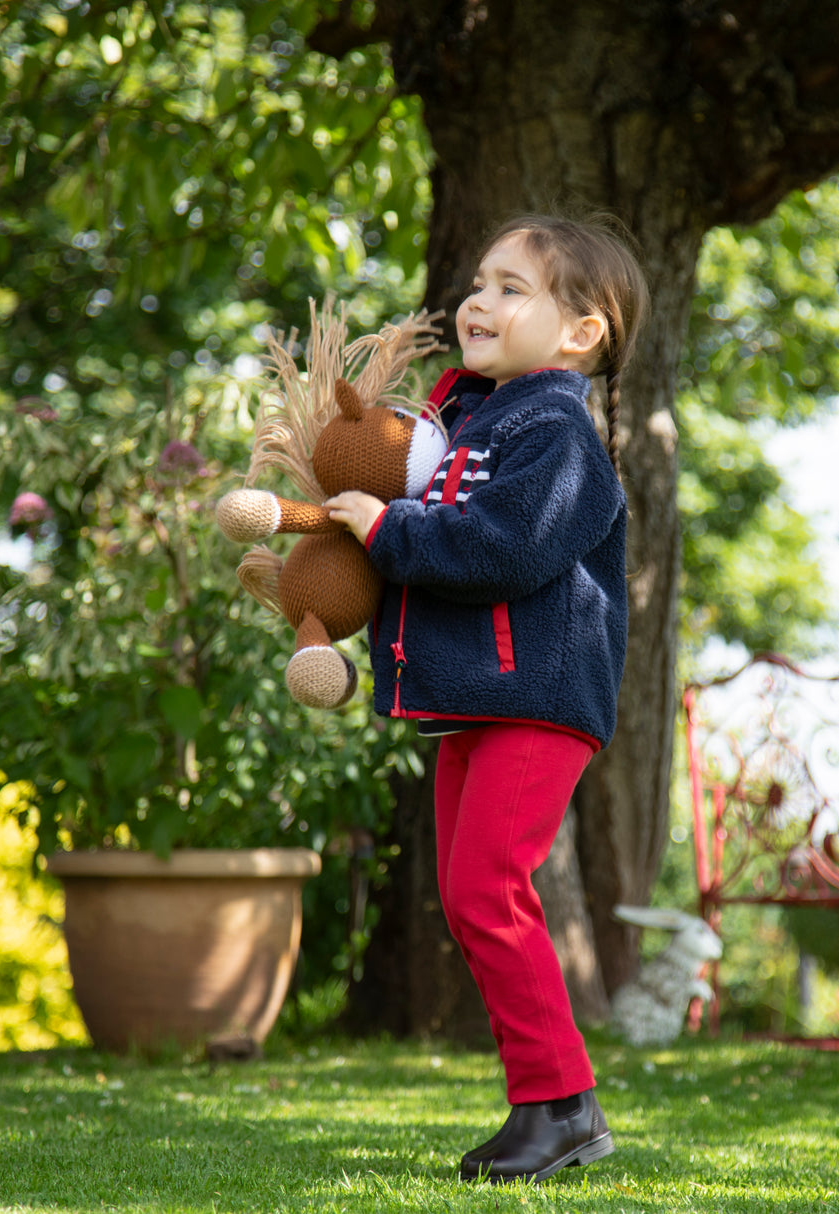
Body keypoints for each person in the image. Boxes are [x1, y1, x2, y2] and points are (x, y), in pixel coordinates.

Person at [325, 212, 649, 1184]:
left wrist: (390, 533)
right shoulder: (474, 417)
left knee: (483, 889)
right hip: (483, 693)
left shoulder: (553, 425)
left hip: (538, 695)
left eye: (513, 287)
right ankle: (553, 1105)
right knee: (471, 899)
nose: (479, 300)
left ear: (578, 332)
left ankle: (558, 1104)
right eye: (479, 281)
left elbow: (507, 547)